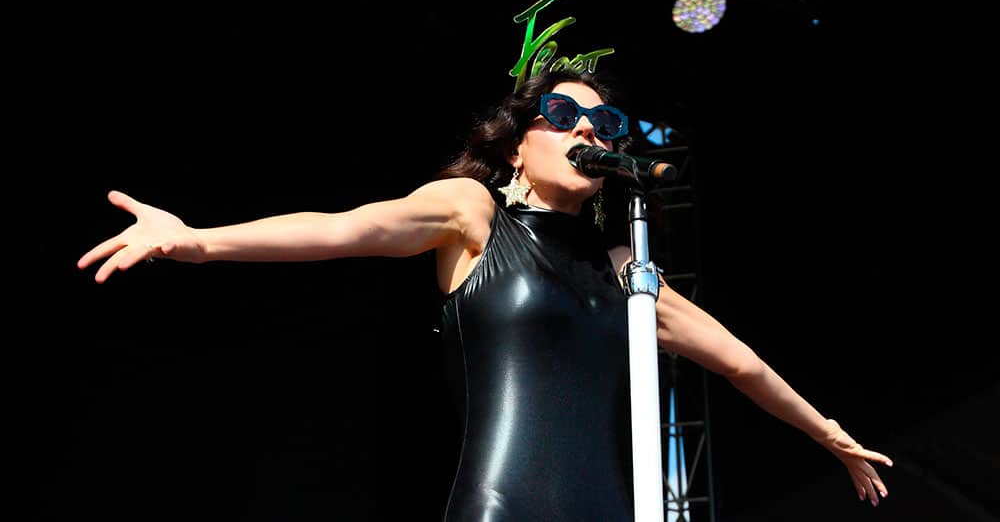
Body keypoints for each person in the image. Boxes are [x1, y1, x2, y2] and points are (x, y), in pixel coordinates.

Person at [77, 68, 893, 520]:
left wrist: (832, 437)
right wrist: (197, 241)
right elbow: (348, 227)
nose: (586, 132)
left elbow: (741, 365)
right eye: (563, 113)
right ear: (515, 144)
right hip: (505, 508)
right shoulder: (473, 213)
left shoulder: (627, 272)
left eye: (604, 127)